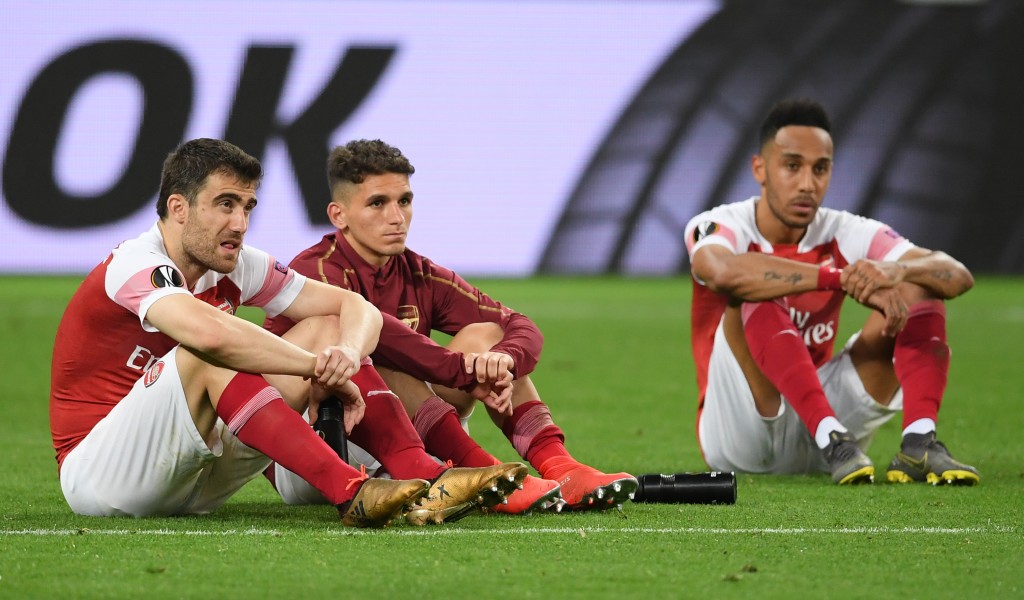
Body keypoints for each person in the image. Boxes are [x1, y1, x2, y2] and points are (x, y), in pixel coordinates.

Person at [49, 138, 526, 529]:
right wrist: (316, 368)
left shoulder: (238, 263)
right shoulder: (135, 263)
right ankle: (351, 490)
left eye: (247, 207)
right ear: (179, 207)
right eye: (225, 205)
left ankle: (425, 475)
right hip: (104, 474)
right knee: (207, 351)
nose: (240, 224)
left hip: (196, 474)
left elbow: (356, 308)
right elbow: (209, 337)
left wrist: (345, 355)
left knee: (326, 327)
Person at [266, 139, 638, 512]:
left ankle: (560, 466)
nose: (396, 217)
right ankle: (478, 471)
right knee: (377, 355)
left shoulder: (419, 273)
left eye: (404, 201)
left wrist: (502, 361)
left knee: (486, 338)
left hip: (409, 438)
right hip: (314, 449)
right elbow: (384, 337)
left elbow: (519, 326)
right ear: (339, 215)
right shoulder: (315, 271)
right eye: (377, 203)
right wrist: (464, 372)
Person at [684, 98, 980, 485]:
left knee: (921, 286)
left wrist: (898, 270)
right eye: (792, 166)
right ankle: (830, 435)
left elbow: (957, 274)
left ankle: (918, 442)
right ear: (760, 168)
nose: (808, 184)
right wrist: (839, 278)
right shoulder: (720, 223)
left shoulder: (844, 229)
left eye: (820, 168)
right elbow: (721, 272)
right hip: (741, 433)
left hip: (828, 427)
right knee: (755, 285)